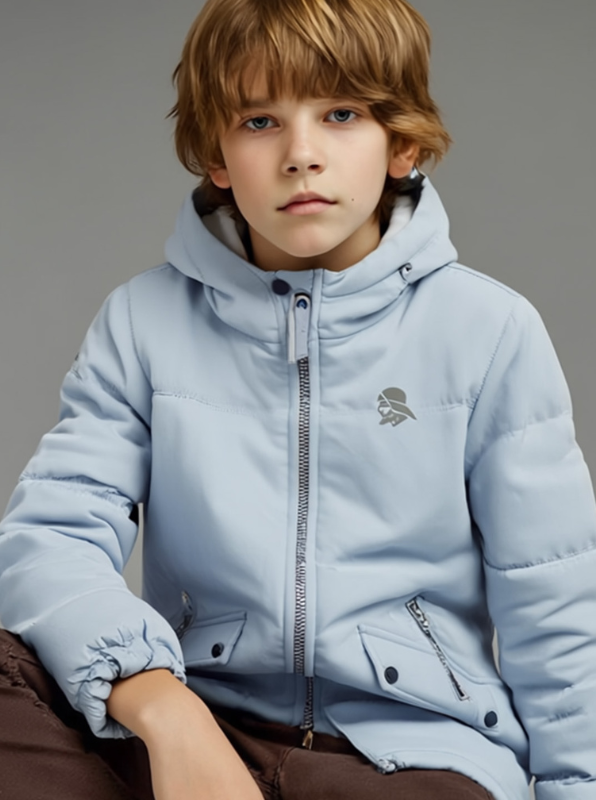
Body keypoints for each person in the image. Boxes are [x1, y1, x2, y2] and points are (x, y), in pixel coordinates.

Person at [1, 0, 595, 798]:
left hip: (413, 761)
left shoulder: (488, 331)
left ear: (402, 142)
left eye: (341, 114)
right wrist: (165, 710)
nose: (301, 155)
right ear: (216, 156)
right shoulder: (143, 323)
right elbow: (49, 540)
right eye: (258, 122)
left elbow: (555, 607)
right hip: (203, 739)